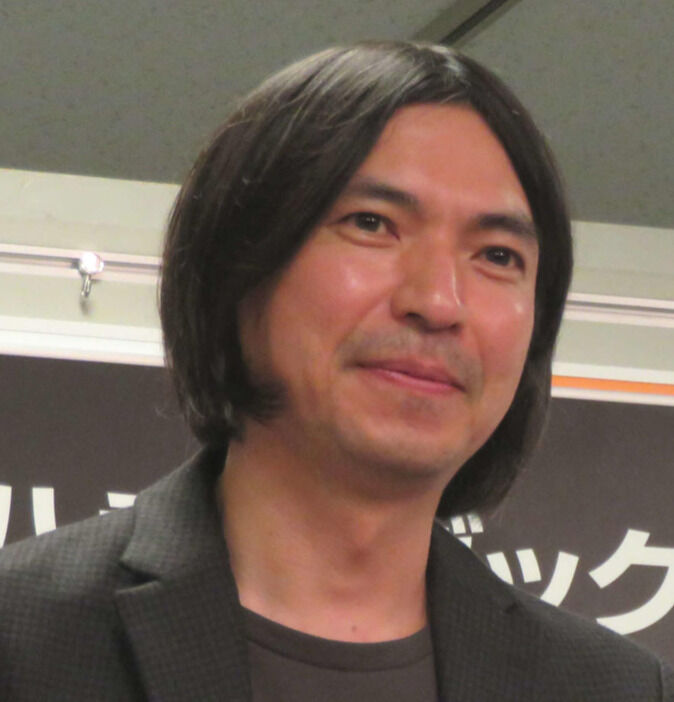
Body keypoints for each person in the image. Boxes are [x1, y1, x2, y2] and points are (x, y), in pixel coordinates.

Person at [0, 41, 671, 701]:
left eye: (497, 256)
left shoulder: (612, 687)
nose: (439, 302)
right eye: (372, 224)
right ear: (237, 267)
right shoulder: (24, 636)